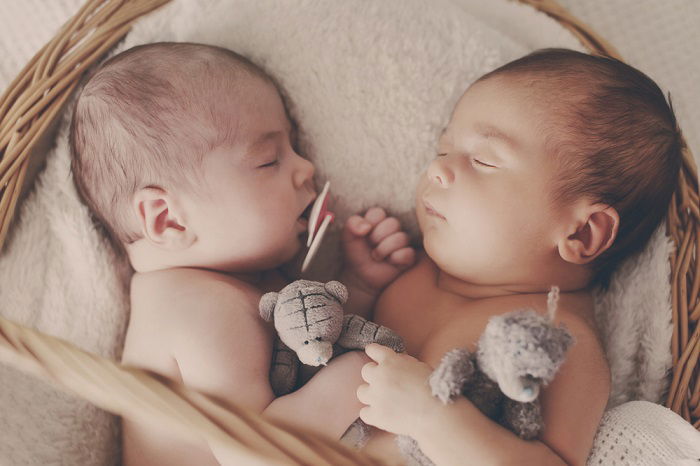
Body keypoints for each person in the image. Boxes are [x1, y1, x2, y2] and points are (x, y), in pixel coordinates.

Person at [68, 42, 416, 466]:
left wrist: (357, 283)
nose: (305, 167)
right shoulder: (197, 307)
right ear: (168, 220)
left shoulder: (238, 282)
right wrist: (360, 375)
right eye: (269, 160)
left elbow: (302, 362)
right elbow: (258, 456)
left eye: (294, 146)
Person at [345, 48, 683, 465]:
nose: (438, 169)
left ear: (580, 231)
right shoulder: (413, 268)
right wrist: (361, 282)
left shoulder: (558, 342)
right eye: (444, 148)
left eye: (484, 160)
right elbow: (327, 352)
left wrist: (431, 419)